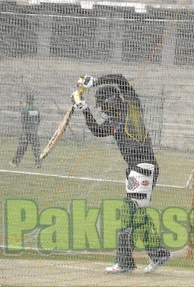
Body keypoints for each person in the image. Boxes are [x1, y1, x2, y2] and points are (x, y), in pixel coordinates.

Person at [72, 74, 171, 274]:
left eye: (103, 105)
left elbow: (120, 79)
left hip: (144, 167)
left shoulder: (131, 108)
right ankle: (158, 253)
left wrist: (95, 81)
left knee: (129, 212)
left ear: (112, 100)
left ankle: (125, 262)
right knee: (137, 214)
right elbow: (98, 131)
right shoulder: (114, 121)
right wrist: (85, 110)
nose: (103, 109)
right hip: (135, 170)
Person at [10, 94, 41, 168]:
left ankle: (15, 162)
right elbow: (38, 120)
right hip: (34, 132)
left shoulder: (25, 110)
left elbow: (24, 122)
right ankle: (38, 163)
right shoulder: (36, 110)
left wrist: (23, 133)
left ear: (26, 101)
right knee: (36, 149)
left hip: (27, 132)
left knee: (21, 148)